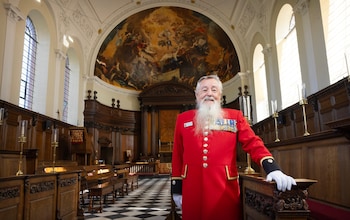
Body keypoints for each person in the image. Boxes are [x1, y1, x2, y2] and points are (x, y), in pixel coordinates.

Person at [171, 74, 296, 220]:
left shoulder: (234, 116)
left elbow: (252, 142)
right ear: (197, 95)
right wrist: (177, 189)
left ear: (219, 94)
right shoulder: (183, 119)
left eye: (214, 89)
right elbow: (177, 155)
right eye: (204, 90)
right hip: (192, 187)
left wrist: (272, 168)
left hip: (224, 186)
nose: (209, 93)